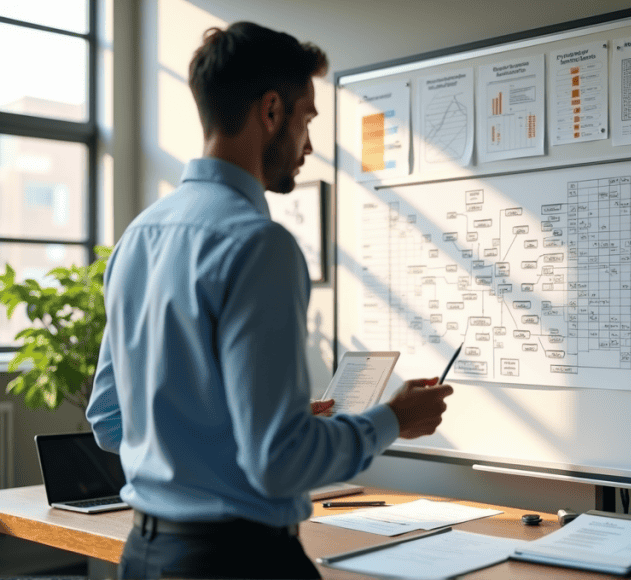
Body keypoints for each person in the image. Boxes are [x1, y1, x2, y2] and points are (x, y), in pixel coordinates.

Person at [86, 21, 453, 580]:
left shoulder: (138, 237)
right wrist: (392, 420)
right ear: (273, 110)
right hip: (238, 563)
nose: (308, 144)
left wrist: (241, 424)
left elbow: (110, 421)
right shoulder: (259, 244)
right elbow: (278, 463)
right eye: (307, 118)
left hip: (144, 557)